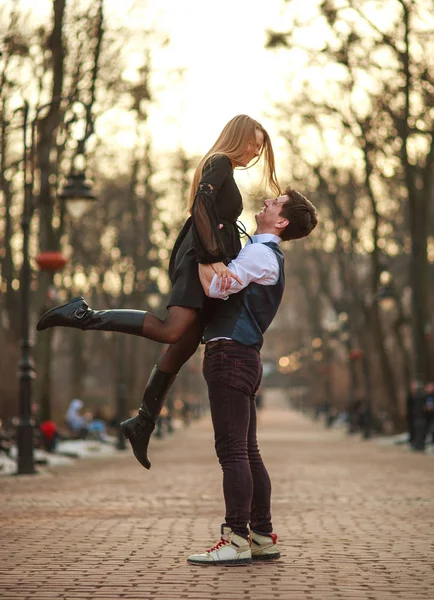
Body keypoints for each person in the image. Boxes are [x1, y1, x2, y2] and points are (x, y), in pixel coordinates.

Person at [36, 115, 280, 470]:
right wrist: (213, 260)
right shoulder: (219, 163)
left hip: (206, 258)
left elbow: (211, 213)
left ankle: (142, 422)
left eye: (259, 147)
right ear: (237, 137)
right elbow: (201, 207)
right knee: (172, 330)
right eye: (252, 143)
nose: (254, 152)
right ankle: (83, 315)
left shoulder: (223, 167)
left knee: (183, 343)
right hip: (200, 260)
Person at [186, 187, 318, 566]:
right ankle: (261, 534)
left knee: (232, 453)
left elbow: (217, 285)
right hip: (242, 355)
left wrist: (202, 248)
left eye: (274, 203)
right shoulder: (262, 251)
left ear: (282, 221)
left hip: (230, 353)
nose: (266, 202)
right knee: (247, 451)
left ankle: (235, 538)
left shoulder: (262, 253)